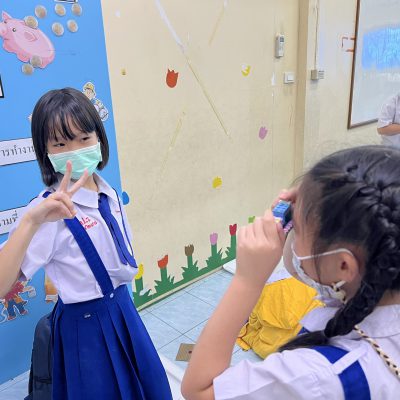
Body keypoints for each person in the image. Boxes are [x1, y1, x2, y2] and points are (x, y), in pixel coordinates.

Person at [182, 145, 400, 399]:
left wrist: (247, 281)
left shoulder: (315, 377)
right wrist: (310, 200)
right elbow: (305, 268)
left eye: (296, 228)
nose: (292, 234)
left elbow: (199, 390)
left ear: (343, 266)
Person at [0, 88, 172, 400]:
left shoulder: (109, 194)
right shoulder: (46, 211)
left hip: (124, 310)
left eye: (83, 138)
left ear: (99, 140)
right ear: (45, 152)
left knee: (149, 387)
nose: (75, 150)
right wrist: (30, 222)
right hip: (85, 327)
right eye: (60, 144)